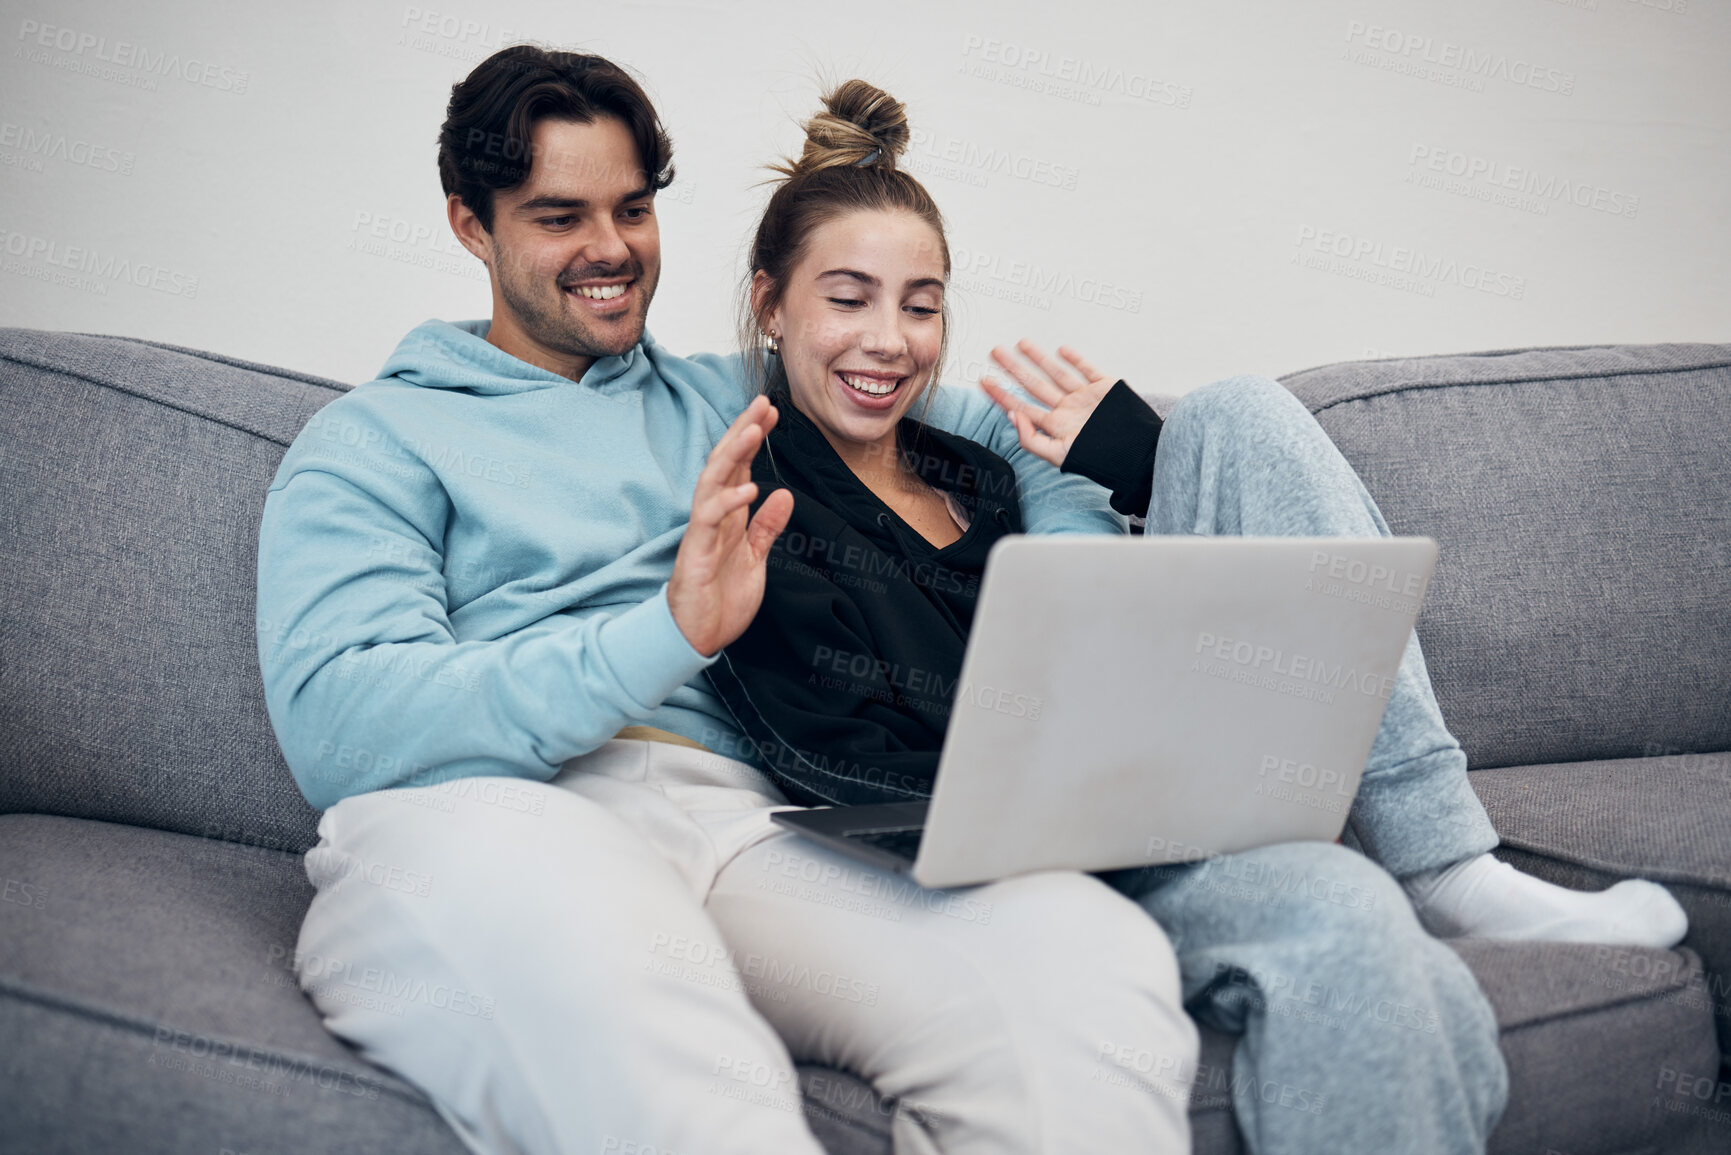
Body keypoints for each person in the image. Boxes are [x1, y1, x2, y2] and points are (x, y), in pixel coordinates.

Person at [704, 79, 1691, 1155]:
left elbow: (1128, 605)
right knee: (1365, 940)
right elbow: (825, 754)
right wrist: (1042, 795)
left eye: (922, 303)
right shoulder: (759, 510)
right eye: (848, 299)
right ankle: (1422, 874)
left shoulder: (979, 468)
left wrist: (1129, 459)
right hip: (1029, 857)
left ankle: (1442, 856)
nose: (889, 341)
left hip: (1160, 785)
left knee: (1235, 411)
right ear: (770, 305)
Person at [257, 46, 1198, 1155]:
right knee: (678, 1059)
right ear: (472, 224)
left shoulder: (732, 393)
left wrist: (1072, 570)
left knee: (1080, 956)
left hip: (750, 821)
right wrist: (659, 637)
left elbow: (1009, 441)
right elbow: (344, 724)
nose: (610, 249)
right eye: (560, 216)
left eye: (632, 209)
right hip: (497, 817)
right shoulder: (374, 441)